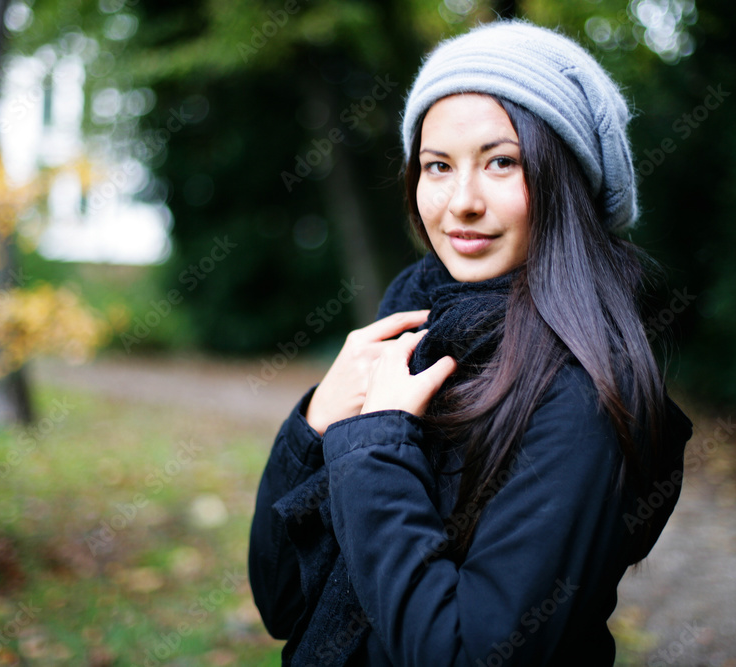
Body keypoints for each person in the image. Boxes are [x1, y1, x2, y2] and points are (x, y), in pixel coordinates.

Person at [248, 18, 693, 666]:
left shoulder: (580, 396)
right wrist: (313, 428)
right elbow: (282, 598)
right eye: (437, 166)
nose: (461, 202)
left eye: (501, 162)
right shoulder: (408, 334)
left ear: (566, 181)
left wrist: (376, 442)